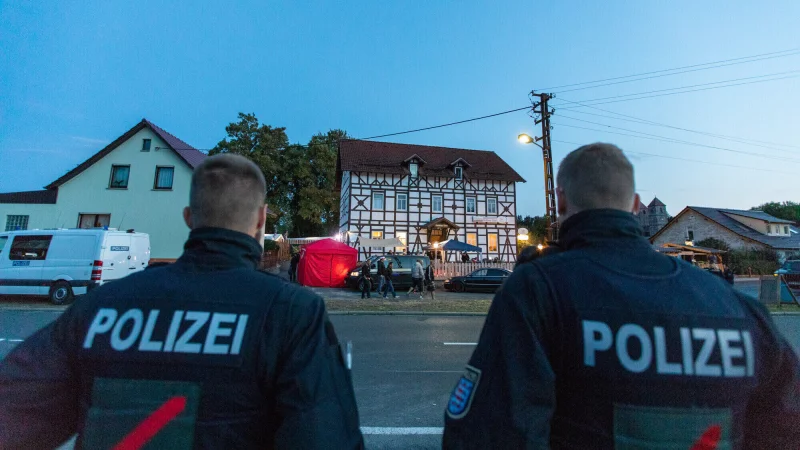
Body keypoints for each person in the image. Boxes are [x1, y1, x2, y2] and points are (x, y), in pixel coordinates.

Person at [443, 143, 800, 449]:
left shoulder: (538, 290)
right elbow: (785, 428)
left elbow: (488, 435)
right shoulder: (737, 308)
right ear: (635, 205)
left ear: (560, 199)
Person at [0, 154, 364, 449]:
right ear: (260, 219)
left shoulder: (100, 307)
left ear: (189, 217)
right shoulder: (290, 312)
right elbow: (325, 435)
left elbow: (15, 414)